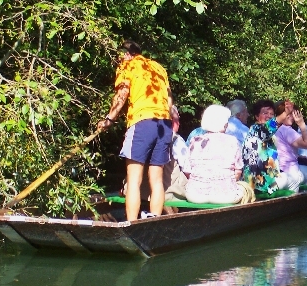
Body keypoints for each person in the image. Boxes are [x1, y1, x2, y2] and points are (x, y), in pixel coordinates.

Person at [98, 40, 173, 221]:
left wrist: (109, 119)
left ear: (126, 54)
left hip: (142, 122)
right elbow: (169, 100)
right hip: (164, 123)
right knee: (156, 179)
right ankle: (153, 219)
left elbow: (122, 95)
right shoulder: (158, 67)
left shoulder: (127, 66)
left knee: (133, 179)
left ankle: (132, 223)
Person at [185, 105, 253, 204]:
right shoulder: (232, 141)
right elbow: (238, 172)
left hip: (194, 196)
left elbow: (187, 170)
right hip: (225, 196)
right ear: (225, 123)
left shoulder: (194, 140)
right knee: (245, 188)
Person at [242, 99, 301, 195]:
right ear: (257, 116)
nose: (269, 116)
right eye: (265, 113)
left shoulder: (268, 136)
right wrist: (286, 112)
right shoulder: (256, 130)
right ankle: (292, 207)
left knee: (287, 177)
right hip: (259, 186)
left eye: (271, 113)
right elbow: (273, 124)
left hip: (265, 183)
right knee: (294, 179)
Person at [272, 102, 307, 191]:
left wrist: (298, 156)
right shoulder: (287, 130)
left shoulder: (271, 128)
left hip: (276, 170)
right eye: (289, 114)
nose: (292, 116)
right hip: (290, 171)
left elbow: (280, 150)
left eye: (293, 114)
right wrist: (302, 124)